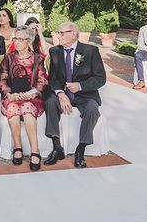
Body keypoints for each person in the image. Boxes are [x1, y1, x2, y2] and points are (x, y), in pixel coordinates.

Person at [44, 22, 106, 169]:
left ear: (73, 33)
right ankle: (57, 146)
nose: (59, 36)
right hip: (63, 93)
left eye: (62, 33)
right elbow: (52, 78)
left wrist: (80, 86)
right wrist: (60, 93)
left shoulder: (91, 51)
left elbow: (100, 78)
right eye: (58, 33)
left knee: (92, 109)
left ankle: (81, 149)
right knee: (50, 102)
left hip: (84, 94)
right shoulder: (54, 51)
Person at [0, 26, 48, 171]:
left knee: (27, 108)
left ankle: (35, 151)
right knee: (13, 107)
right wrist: (8, 93)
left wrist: (33, 92)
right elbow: (1, 79)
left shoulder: (37, 58)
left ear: (29, 40)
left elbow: (42, 80)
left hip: (31, 97)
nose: (16, 42)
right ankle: (17, 147)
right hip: (12, 96)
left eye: (20, 39)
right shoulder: (9, 57)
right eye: (15, 39)